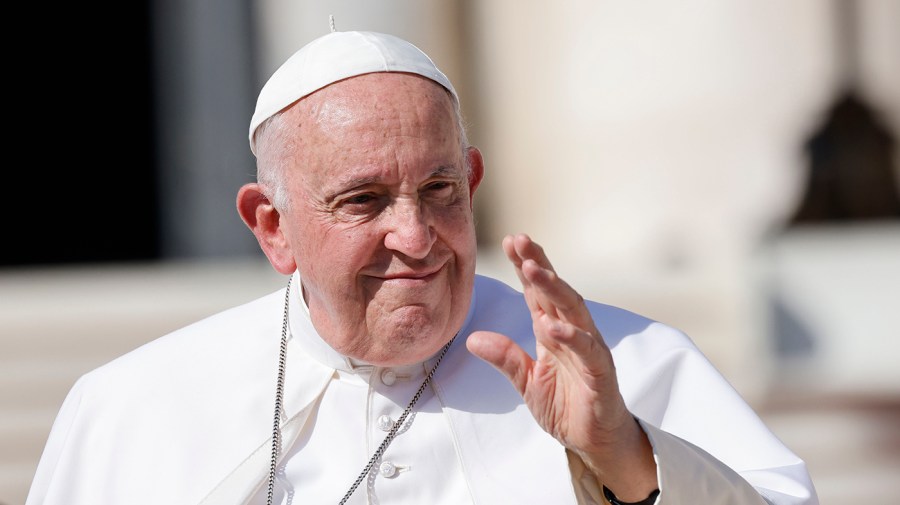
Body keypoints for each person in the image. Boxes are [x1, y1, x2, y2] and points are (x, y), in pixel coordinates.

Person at [26, 29, 818, 505]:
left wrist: (632, 463)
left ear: (471, 182)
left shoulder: (627, 365)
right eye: (364, 200)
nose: (417, 236)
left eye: (438, 190)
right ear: (274, 228)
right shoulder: (130, 409)